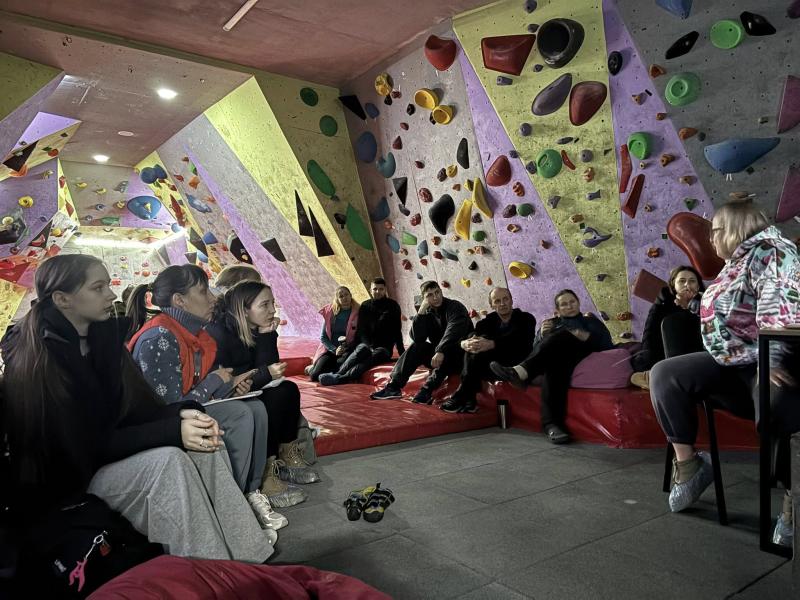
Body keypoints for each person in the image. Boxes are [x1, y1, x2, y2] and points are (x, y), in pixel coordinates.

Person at [0, 255, 275, 567]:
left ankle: (248, 561)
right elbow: (83, 447)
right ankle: (208, 574)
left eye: (108, 285)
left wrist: (182, 415)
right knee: (168, 461)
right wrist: (172, 431)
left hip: (107, 460)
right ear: (63, 299)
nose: (111, 295)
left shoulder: (102, 341)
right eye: (98, 288)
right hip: (71, 485)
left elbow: (135, 411)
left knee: (206, 445)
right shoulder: (38, 358)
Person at [648, 201, 800, 544]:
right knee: (664, 375)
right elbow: (725, 313)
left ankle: (795, 497)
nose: (711, 239)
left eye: (714, 231)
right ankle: (690, 466)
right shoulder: (735, 262)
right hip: (731, 360)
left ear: (734, 230)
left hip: (769, 360)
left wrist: (771, 360)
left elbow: (780, 309)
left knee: (778, 403)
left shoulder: (774, 252)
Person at [126, 264, 299, 523]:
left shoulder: (192, 333)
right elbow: (169, 409)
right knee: (241, 413)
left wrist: (229, 383)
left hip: (190, 408)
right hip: (162, 424)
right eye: (203, 292)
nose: (212, 298)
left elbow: (194, 387)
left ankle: (250, 491)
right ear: (180, 301)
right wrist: (215, 381)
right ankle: (232, 503)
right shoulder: (160, 337)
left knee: (256, 407)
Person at [207, 280, 320, 492]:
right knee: (274, 399)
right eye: (264, 305)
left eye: (273, 304)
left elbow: (270, 372)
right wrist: (264, 375)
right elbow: (230, 381)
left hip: (248, 388)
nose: (272, 310)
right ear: (244, 309)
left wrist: (267, 335)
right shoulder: (221, 333)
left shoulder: (255, 329)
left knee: (288, 389)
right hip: (224, 396)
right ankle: (266, 470)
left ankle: (285, 455)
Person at [490, 289, 613, 444]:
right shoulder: (552, 323)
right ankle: (553, 426)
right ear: (558, 310)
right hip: (561, 359)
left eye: (572, 302)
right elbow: (536, 351)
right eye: (564, 304)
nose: (569, 306)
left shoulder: (590, 321)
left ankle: (522, 373)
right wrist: (542, 335)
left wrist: (583, 335)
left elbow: (606, 345)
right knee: (555, 363)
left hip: (583, 354)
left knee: (563, 335)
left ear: (578, 303)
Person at [371, 281, 473, 404]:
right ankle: (393, 387)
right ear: (424, 298)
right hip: (438, 356)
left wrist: (441, 350)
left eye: (437, 292)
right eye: (430, 295)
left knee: (449, 351)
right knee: (418, 346)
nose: (435, 297)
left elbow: (454, 330)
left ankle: (426, 390)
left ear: (441, 292)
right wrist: (420, 314)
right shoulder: (427, 312)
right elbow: (417, 338)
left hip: (460, 356)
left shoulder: (455, 307)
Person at [441, 287, 537, 414]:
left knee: (478, 350)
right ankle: (469, 398)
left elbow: (519, 342)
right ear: (492, 305)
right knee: (474, 346)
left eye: (505, 299)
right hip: (492, 366)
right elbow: (473, 335)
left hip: (513, 368)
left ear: (511, 300)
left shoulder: (526, 318)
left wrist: (492, 344)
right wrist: (465, 343)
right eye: (497, 301)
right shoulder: (488, 321)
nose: (502, 304)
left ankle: (464, 396)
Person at [630, 265, 705, 390]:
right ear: (673, 285)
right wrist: (649, 359)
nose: (687, 285)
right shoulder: (663, 301)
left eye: (692, 281)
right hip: (664, 353)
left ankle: (663, 379)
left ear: (698, 286)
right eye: (682, 281)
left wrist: (693, 305)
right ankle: (657, 377)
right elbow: (650, 332)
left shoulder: (706, 300)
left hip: (694, 353)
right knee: (642, 362)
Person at [319, 277, 404, 386]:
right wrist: (368, 345)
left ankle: (341, 379)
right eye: (375, 289)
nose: (378, 291)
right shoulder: (365, 305)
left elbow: (397, 331)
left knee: (367, 361)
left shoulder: (393, 306)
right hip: (367, 344)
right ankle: (337, 374)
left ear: (385, 290)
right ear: (370, 290)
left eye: (381, 289)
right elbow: (361, 330)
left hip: (383, 348)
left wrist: (402, 353)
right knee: (360, 350)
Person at [307, 286, 359, 382]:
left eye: (346, 294)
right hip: (330, 350)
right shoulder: (330, 312)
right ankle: (311, 369)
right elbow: (323, 337)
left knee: (339, 368)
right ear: (337, 299)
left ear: (350, 295)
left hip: (347, 351)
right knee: (314, 376)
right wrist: (334, 350)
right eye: (341, 296)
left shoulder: (358, 312)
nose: (344, 298)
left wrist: (347, 347)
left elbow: (359, 336)